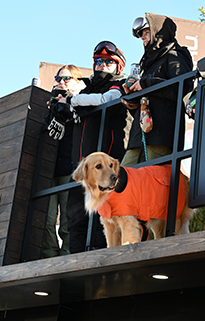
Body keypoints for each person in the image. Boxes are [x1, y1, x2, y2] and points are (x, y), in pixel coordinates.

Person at [57, 41, 128, 253]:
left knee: (102, 221)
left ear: (118, 66)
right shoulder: (86, 88)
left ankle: (100, 259)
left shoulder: (118, 85)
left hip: (105, 171)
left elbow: (107, 99)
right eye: (98, 61)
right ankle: (76, 261)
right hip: (82, 170)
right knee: (75, 220)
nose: (102, 65)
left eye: (108, 62)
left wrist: (74, 101)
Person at [121, 13, 193, 167]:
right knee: (123, 183)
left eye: (146, 32)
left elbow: (182, 88)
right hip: (138, 138)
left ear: (159, 33)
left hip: (161, 137)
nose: (142, 37)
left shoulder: (175, 55)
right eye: (141, 34)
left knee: (151, 184)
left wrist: (145, 83)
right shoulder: (148, 64)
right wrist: (132, 94)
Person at [42, 65, 85, 258]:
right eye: (58, 78)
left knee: (68, 220)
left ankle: (67, 254)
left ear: (77, 81)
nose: (61, 82)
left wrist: (68, 106)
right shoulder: (47, 103)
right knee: (46, 218)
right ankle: (49, 255)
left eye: (66, 79)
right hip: (49, 169)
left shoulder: (80, 101)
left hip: (70, 169)